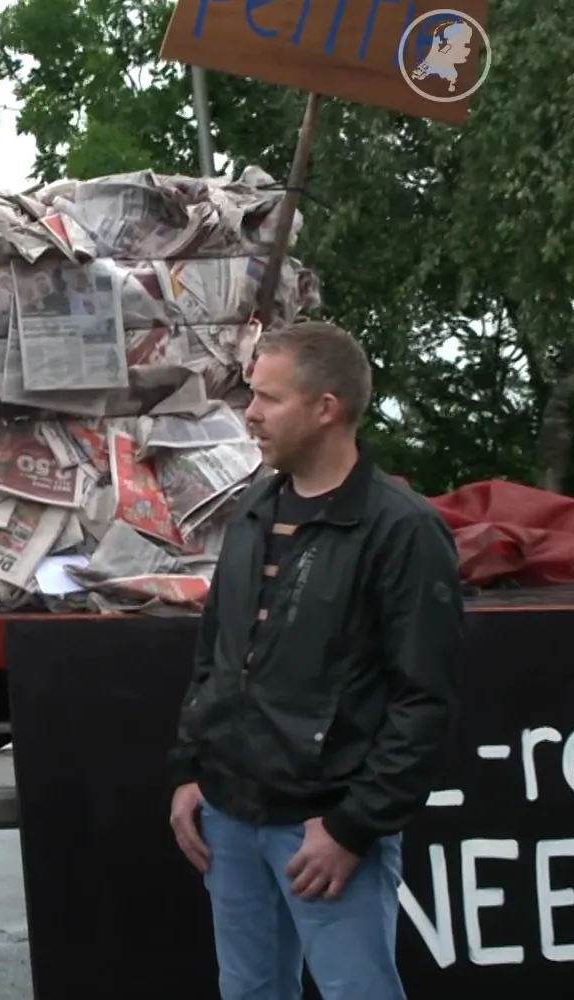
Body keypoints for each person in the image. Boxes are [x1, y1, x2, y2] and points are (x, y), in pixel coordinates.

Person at [168, 321, 465, 999]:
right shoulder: (250, 513)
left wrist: (352, 827)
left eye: (268, 398)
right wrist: (192, 772)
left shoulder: (402, 530)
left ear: (326, 407)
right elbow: (216, 654)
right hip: (229, 820)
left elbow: (424, 701)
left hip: (323, 830)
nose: (250, 413)